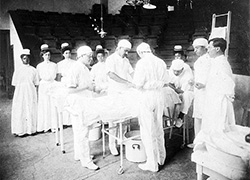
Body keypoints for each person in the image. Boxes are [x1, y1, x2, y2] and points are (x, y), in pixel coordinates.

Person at [132, 42, 168, 172]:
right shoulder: (161, 62)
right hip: (159, 95)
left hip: (146, 96)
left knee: (147, 130)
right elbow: (165, 81)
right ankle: (161, 158)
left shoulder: (141, 63)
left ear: (140, 53)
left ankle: (152, 164)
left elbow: (138, 84)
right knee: (158, 127)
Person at [66, 45, 99, 170]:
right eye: (89, 56)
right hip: (78, 103)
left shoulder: (84, 68)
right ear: (82, 56)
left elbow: (88, 85)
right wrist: (86, 87)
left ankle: (79, 154)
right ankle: (86, 161)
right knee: (82, 132)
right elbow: (70, 89)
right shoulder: (75, 68)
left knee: (80, 131)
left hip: (84, 102)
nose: (91, 59)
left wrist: (94, 88)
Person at [199, 38, 235, 134]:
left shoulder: (222, 63)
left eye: (210, 48)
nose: (208, 50)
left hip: (219, 101)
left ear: (217, 49)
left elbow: (228, 84)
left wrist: (219, 99)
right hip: (213, 99)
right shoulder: (215, 62)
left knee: (218, 128)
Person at [105, 39, 134, 155]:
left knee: (125, 117)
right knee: (113, 119)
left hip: (125, 92)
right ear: (119, 48)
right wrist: (126, 82)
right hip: (114, 92)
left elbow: (132, 73)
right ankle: (112, 144)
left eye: (128, 51)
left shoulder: (126, 60)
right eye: (125, 51)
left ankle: (123, 138)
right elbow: (111, 75)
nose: (126, 53)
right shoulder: (110, 59)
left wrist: (137, 81)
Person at [188, 38, 211, 148]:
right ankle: (197, 142)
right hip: (199, 92)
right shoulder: (198, 61)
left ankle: (205, 143)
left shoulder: (210, 60)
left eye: (197, 48)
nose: (195, 50)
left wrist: (205, 84)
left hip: (207, 93)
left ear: (204, 48)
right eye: (194, 48)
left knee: (205, 117)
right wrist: (194, 81)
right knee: (197, 117)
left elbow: (213, 77)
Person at [11, 49, 39, 136]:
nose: (26, 60)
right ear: (21, 59)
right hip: (20, 93)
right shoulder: (18, 70)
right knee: (20, 109)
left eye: (27, 58)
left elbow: (36, 83)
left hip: (30, 92)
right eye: (24, 58)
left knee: (30, 108)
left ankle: (31, 130)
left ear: (29, 59)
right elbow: (14, 83)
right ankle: (20, 130)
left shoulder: (33, 70)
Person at [36, 44, 58, 132]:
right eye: (45, 55)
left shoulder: (54, 65)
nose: (47, 56)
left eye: (49, 55)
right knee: (44, 104)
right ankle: (45, 126)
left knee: (52, 105)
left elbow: (55, 76)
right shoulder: (39, 66)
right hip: (43, 86)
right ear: (42, 56)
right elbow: (38, 78)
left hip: (52, 85)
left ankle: (53, 125)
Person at [168, 58, 194, 127]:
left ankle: (180, 116)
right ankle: (170, 117)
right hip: (176, 89)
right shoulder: (171, 71)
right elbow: (168, 82)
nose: (176, 73)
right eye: (175, 71)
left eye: (178, 71)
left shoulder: (188, 74)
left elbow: (183, 90)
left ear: (182, 70)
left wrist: (174, 88)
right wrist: (173, 88)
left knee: (187, 95)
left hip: (186, 91)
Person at [56, 42, 75, 126]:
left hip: (71, 82)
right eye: (66, 53)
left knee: (71, 101)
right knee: (64, 101)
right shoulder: (59, 64)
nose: (68, 54)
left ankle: (71, 121)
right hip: (64, 83)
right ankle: (65, 121)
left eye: (69, 53)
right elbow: (59, 76)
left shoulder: (74, 63)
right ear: (63, 54)